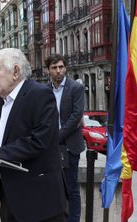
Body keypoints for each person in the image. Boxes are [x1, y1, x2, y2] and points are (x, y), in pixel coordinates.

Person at [0, 48, 67, 222]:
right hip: (9, 196)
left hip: (39, 201)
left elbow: (39, 141)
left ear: (15, 71)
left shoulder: (40, 94)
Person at [46, 54, 85, 222]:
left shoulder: (75, 87)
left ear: (65, 68)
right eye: (54, 68)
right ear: (48, 70)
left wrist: (58, 136)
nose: (58, 71)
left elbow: (76, 116)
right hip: (49, 146)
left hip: (69, 145)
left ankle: (74, 219)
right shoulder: (44, 89)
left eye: (61, 67)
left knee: (71, 187)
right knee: (53, 186)